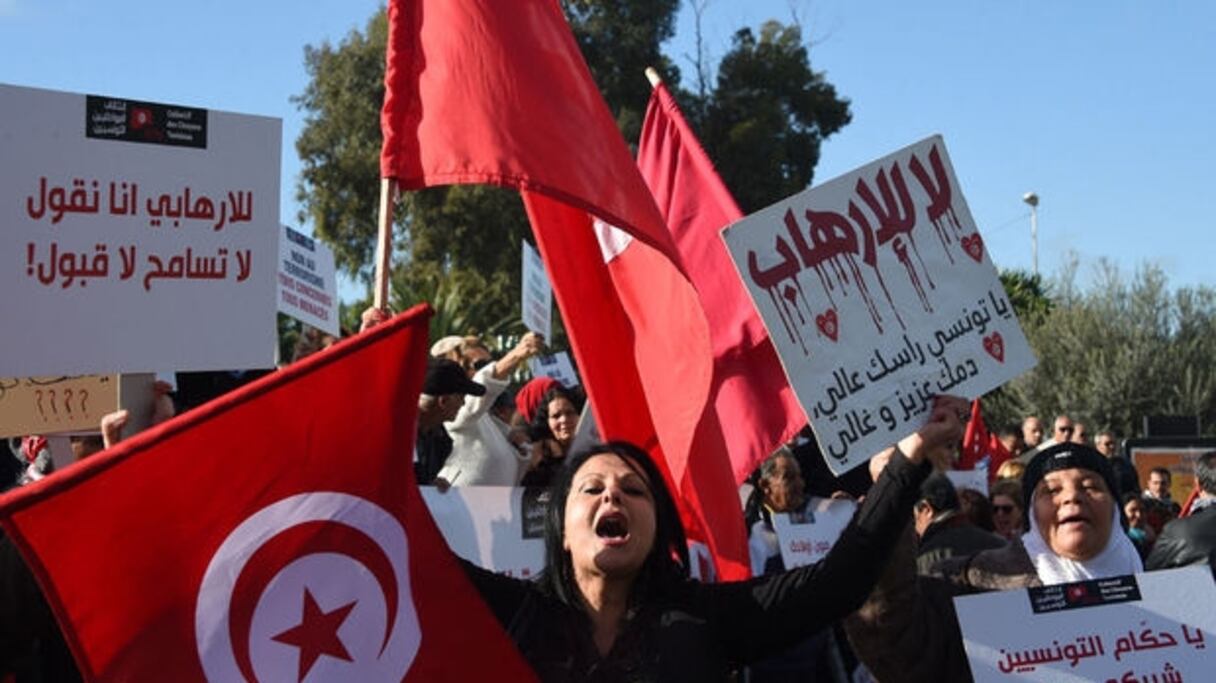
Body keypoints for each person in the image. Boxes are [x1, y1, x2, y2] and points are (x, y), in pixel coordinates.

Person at [459, 396, 968, 681]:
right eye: (592, 489)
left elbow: (838, 583)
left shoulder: (705, 618)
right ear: (562, 530)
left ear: (657, 526)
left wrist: (908, 460)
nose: (612, 498)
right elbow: (408, 549)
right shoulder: (513, 614)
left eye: (633, 490)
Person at [844, 442, 1143, 681]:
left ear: (1116, 509)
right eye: (1051, 490)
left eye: (1091, 486)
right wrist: (886, 514)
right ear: (1031, 516)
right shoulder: (968, 582)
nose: (1072, 498)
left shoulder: (1167, 596)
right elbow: (897, 649)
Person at [435, 332, 544, 487]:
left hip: (497, 505)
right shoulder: (450, 410)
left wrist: (523, 448)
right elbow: (482, 387)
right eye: (479, 365)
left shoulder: (488, 418)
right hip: (461, 506)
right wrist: (517, 354)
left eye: (490, 363)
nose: (487, 369)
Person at [913, 474, 1006, 575]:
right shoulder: (1001, 547)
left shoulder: (923, 560)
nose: (913, 527)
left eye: (912, 517)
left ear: (926, 510)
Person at [415, 358, 487, 484]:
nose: (463, 403)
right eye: (461, 397)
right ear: (444, 401)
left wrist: (431, 485)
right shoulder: (392, 434)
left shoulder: (441, 441)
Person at [1145, 451, 1216, 570]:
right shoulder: (1176, 528)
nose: (1159, 487)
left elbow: (1151, 574)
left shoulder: (1176, 530)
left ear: (1197, 484)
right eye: (1156, 483)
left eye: (1163, 483)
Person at [521, 383, 583, 488]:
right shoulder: (536, 459)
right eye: (556, 416)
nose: (564, 420)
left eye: (569, 413)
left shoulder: (594, 451)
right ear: (547, 422)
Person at [1122, 493, 1156, 560]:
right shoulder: (1118, 539)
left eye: (1142, 510)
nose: (1139, 515)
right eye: (1133, 510)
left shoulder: (1152, 535)